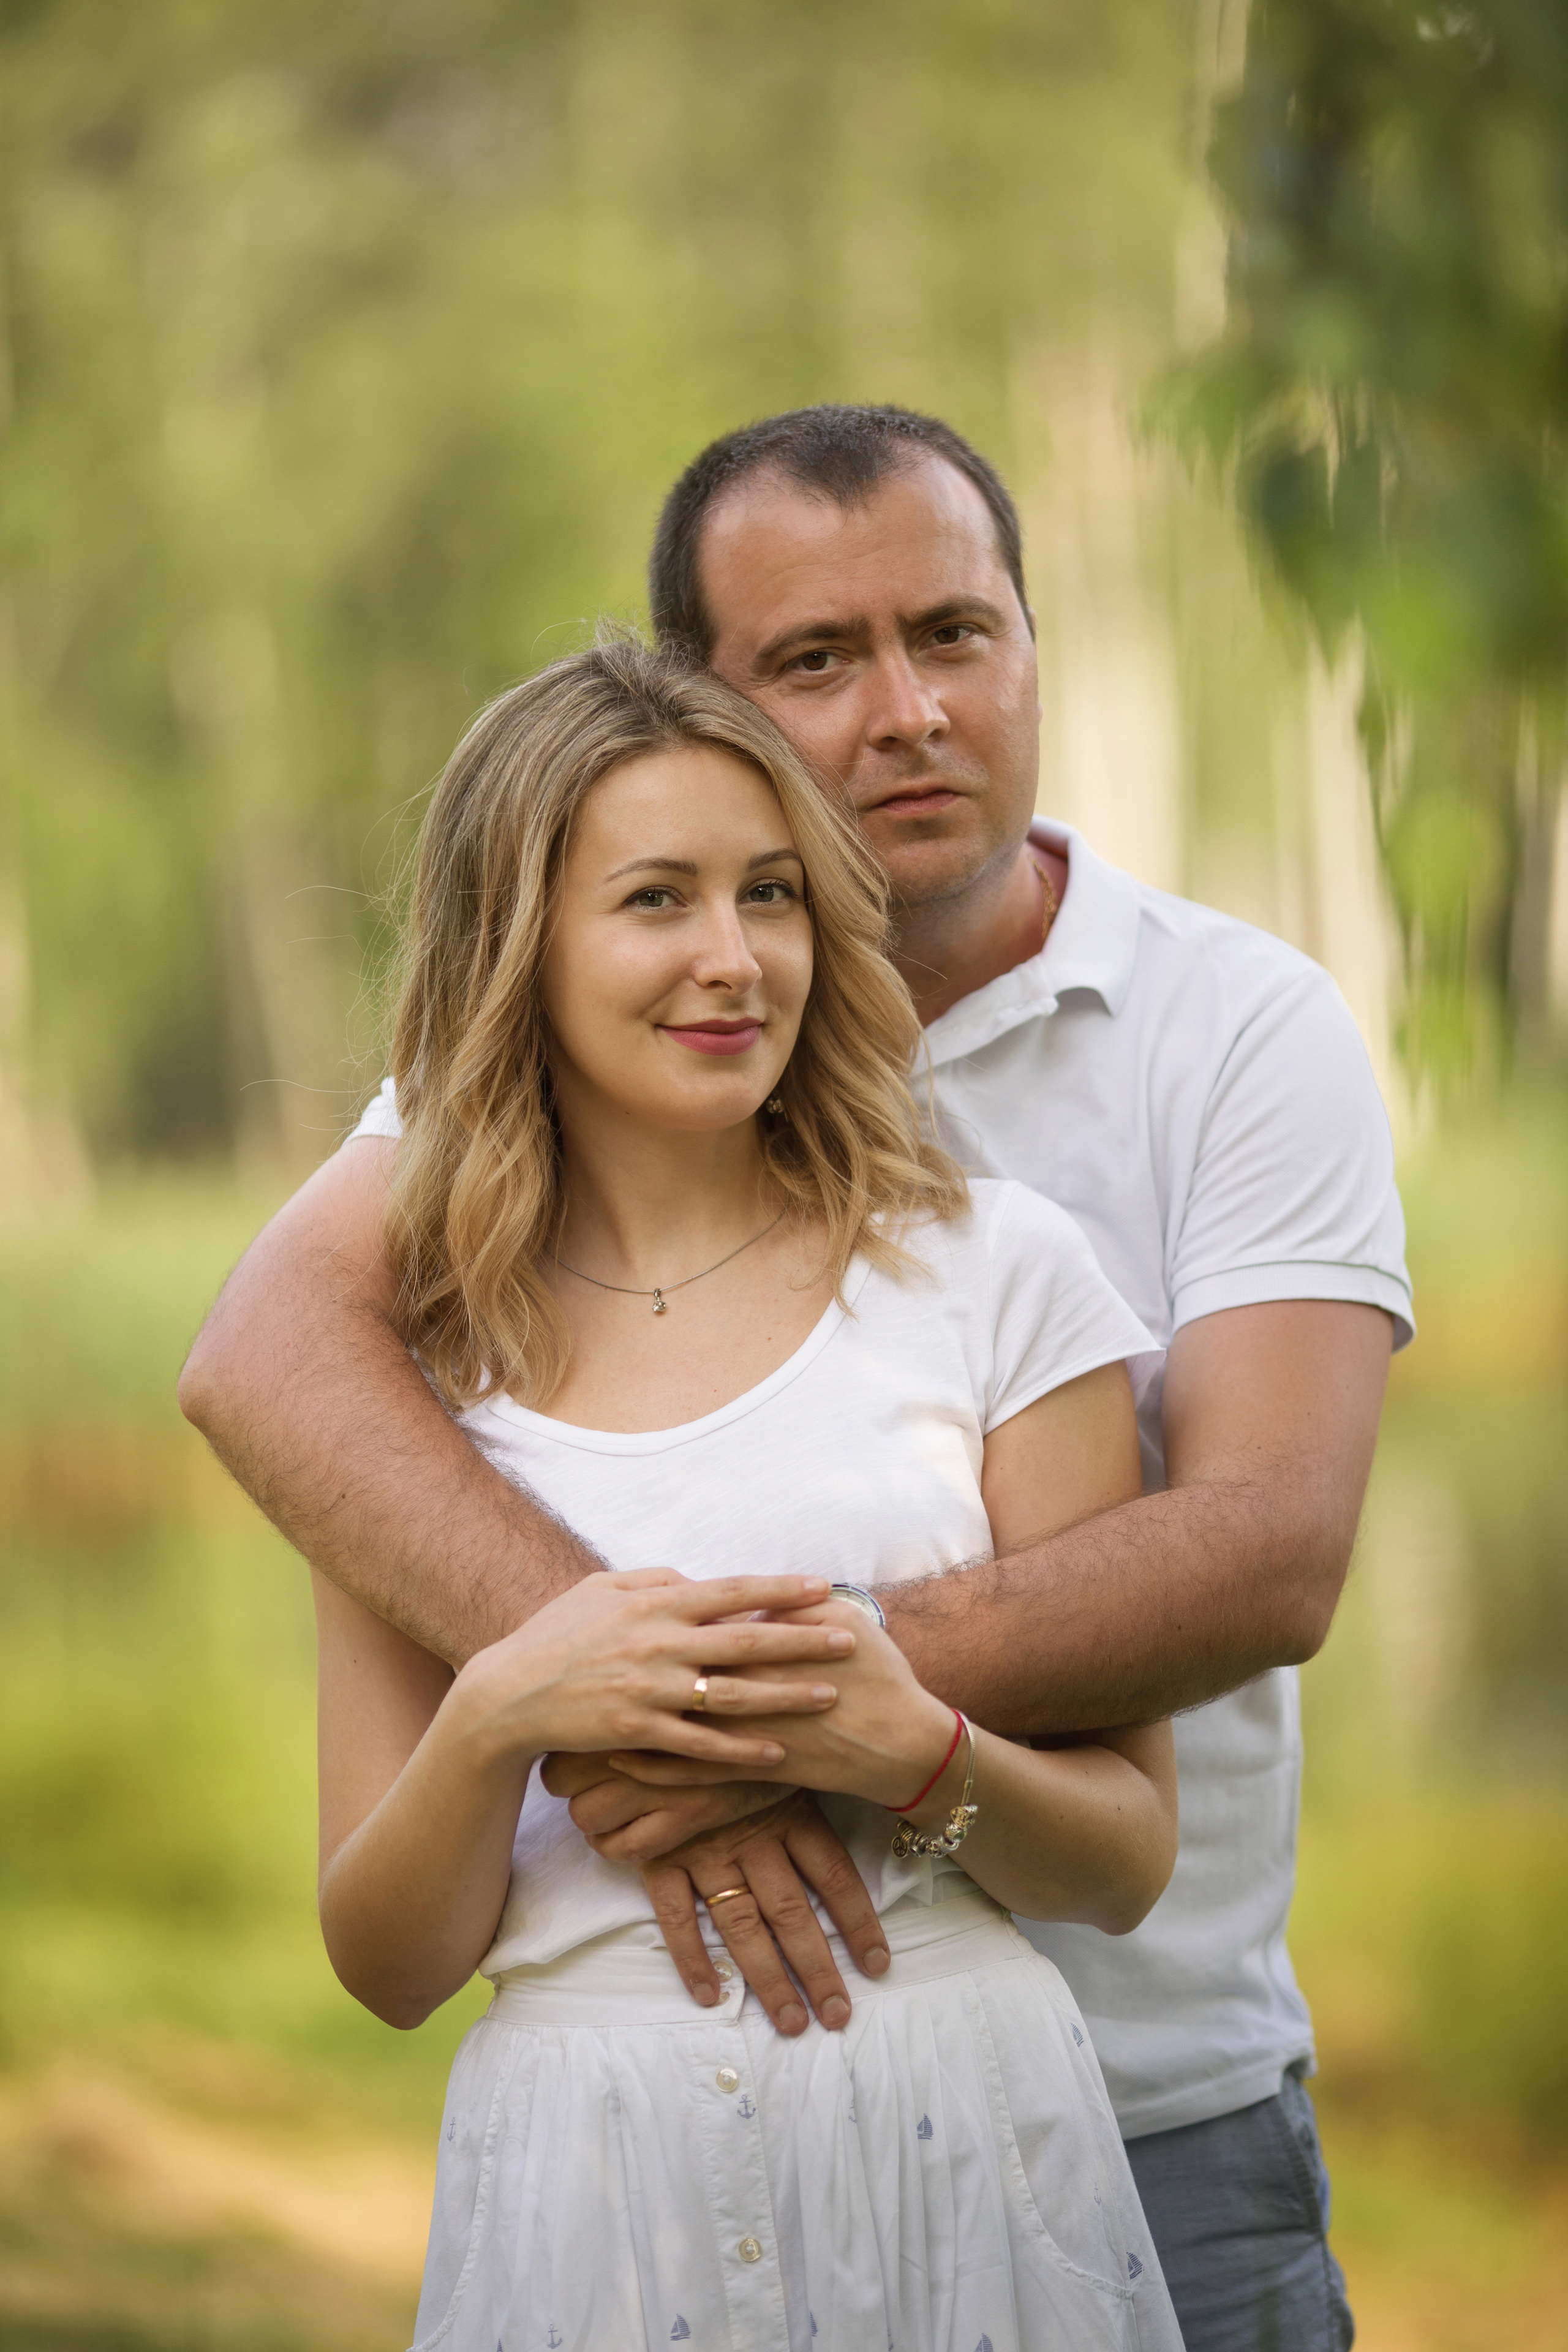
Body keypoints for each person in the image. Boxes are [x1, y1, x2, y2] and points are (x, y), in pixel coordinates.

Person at [181, 404, 1412, 2352]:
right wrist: (559, 1694)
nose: (910, 711)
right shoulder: (532, 1112)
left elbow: (1267, 1557)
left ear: (1031, 643)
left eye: (955, 632)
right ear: (699, 709)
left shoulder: (1226, 1035)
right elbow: (270, 1359)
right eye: (818, 662)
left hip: (1136, 2104)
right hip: (621, 2168)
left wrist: (749, 1709)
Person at [323, 635, 1183, 2351]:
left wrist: (908, 1750)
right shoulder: (412, 1365)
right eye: (658, 900)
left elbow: (1127, 1859)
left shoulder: (998, 1272)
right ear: (523, 948)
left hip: (966, 2153)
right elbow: (388, 1965)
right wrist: (503, 1710)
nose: (734, 960)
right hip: (589, 2187)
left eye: (773, 895)